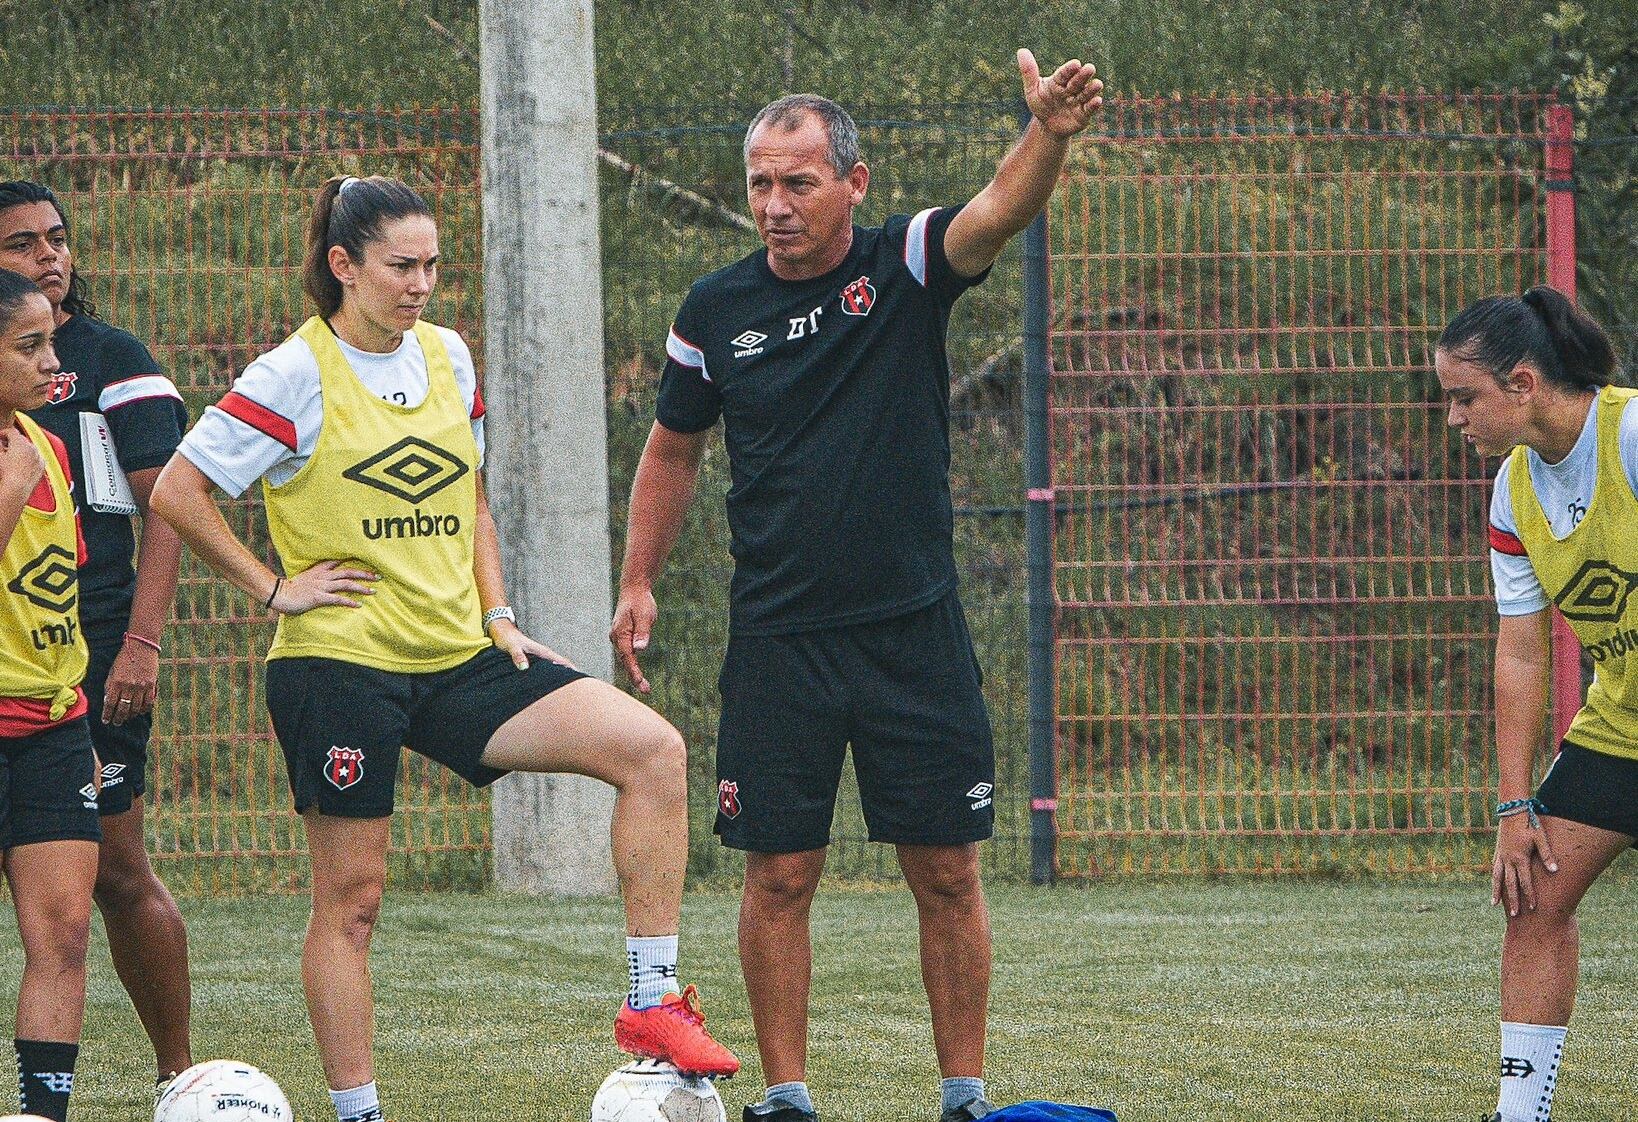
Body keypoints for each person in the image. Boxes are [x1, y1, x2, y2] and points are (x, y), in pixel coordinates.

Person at [149, 174, 737, 1122]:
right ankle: (360, 1111)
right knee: (355, 901)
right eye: (401, 265)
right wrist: (273, 587)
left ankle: (651, 1006)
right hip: (338, 666)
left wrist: (497, 612)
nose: (422, 282)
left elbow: (467, 496)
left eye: (431, 263)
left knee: (653, 752)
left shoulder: (448, 357)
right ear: (343, 266)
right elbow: (177, 492)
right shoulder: (291, 374)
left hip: (459, 655)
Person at [611, 51, 1103, 1122]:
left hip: (912, 632)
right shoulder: (715, 310)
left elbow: (994, 213)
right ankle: (786, 1098)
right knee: (778, 877)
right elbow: (673, 450)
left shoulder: (907, 266)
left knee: (948, 874)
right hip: (780, 640)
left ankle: (964, 1098)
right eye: (759, 184)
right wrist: (638, 578)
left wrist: (1048, 136)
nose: (775, 206)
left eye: (798, 182)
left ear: (854, 183)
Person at [0, 179, 195, 1093]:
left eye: (58, 238)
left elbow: (167, 507)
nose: (50, 256)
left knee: (110, 879)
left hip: (76, 670)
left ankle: (179, 1077)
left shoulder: (112, 359)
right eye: (23, 244)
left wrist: (140, 642)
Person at [1435, 286, 1631, 1122]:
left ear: (1522, 385)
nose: (1454, 419)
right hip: (1621, 730)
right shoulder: (1514, 494)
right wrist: (1513, 807)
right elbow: (1519, 657)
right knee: (1535, 895)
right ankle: (1522, 1118)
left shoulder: (1629, 435)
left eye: (1463, 397)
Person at [0, 268, 99, 1122]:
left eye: (52, 341)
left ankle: (43, 1113)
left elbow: (56, 592)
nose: (51, 361)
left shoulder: (49, 444)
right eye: (28, 346)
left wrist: (77, 708)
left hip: (53, 727)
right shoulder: (20, 462)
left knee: (63, 933)